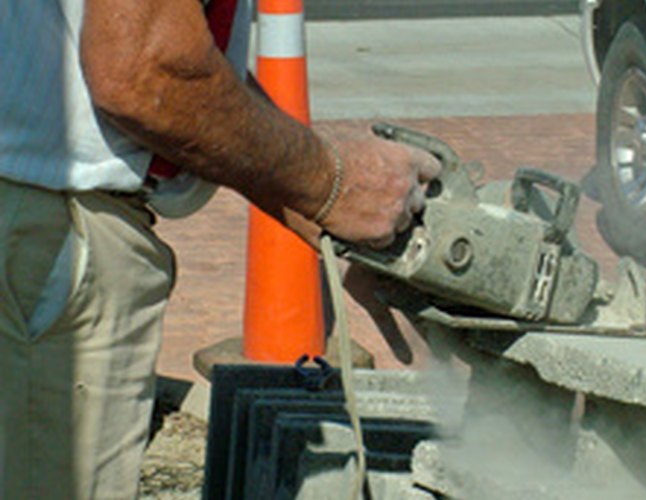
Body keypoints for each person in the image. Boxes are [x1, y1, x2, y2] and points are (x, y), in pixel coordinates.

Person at [0, 0, 440, 498]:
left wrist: (323, 206)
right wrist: (330, 184)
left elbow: (182, 64)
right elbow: (146, 70)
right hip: (52, 228)